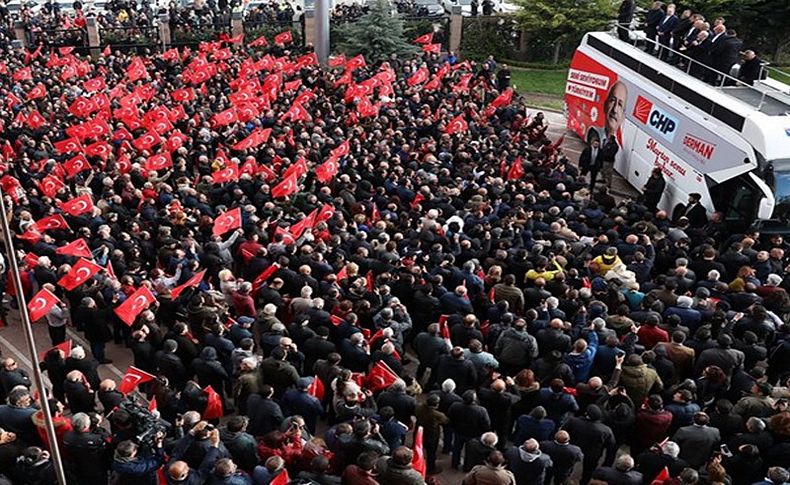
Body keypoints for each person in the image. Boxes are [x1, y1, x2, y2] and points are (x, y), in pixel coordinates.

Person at [603, 81, 628, 146]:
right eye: (613, 100)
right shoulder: (596, 132)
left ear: (623, 116)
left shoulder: (618, 146)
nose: (614, 110)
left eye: (620, 104)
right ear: (605, 105)